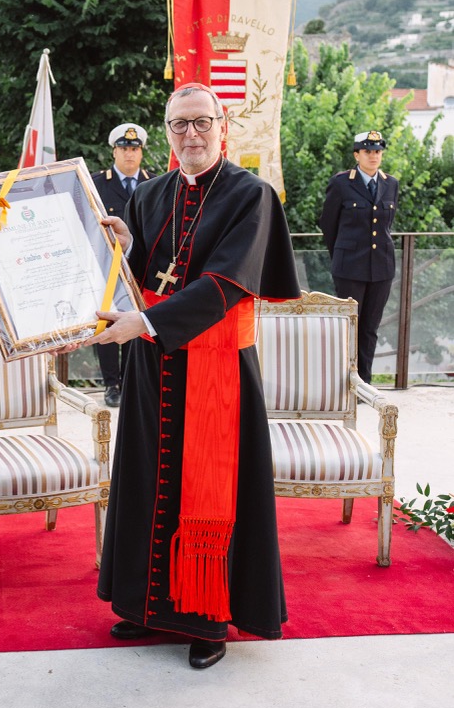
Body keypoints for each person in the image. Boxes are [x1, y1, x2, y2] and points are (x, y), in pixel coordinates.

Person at [84, 83, 300, 669]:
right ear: (167, 130)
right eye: (179, 125)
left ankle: (209, 619)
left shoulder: (251, 195)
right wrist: (127, 250)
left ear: (221, 123)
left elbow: (225, 285)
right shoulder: (151, 195)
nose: (191, 135)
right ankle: (146, 607)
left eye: (201, 122)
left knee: (213, 490)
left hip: (219, 368)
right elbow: (143, 273)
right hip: (156, 368)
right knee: (149, 480)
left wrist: (146, 323)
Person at [319, 129, 399, 383]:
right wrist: (341, 254)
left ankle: (364, 383)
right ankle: (342, 382)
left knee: (369, 329)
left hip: (382, 268)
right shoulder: (342, 183)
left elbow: (387, 225)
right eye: (368, 151)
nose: (374, 156)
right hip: (349, 268)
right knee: (347, 328)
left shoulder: (390, 183)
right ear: (357, 154)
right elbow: (328, 224)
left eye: (377, 151)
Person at [90, 123, 152, 407]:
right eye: (124, 149)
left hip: (140, 267)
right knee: (106, 322)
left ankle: (129, 381)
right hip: (104, 267)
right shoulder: (97, 184)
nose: (130, 154)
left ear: (141, 153)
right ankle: (111, 384)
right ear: (114, 151)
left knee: (134, 322)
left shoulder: (154, 184)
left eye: (135, 149)